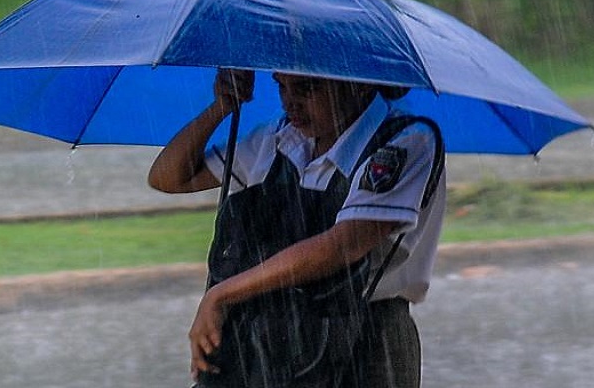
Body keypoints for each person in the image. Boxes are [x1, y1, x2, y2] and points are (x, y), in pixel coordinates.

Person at [148, 69, 446, 388]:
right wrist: (223, 105)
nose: (291, 103)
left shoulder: (406, 141)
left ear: (359, 82)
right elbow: (170, 178)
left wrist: (221, 294)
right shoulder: (276, 140)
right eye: (281, 86)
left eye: (307, 88)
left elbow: (344, 245)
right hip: (271, 332)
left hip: (365, 335)